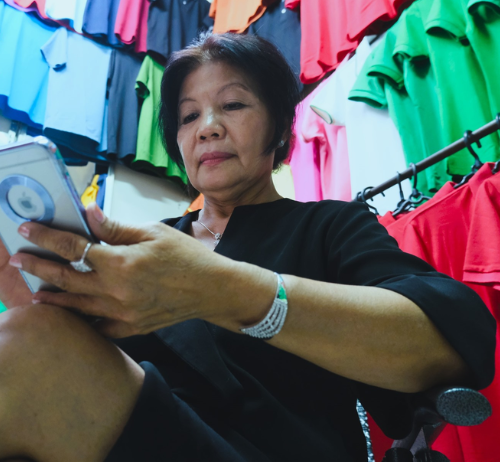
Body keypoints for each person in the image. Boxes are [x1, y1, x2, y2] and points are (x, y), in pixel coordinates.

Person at [0, 33, 495, 462]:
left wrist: (221, 289)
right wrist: (34, 292)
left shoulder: (328, 226)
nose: (207, 127)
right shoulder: (152, 242)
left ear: (278, 126)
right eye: (188, 116)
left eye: (233, 105)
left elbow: (448, 343)